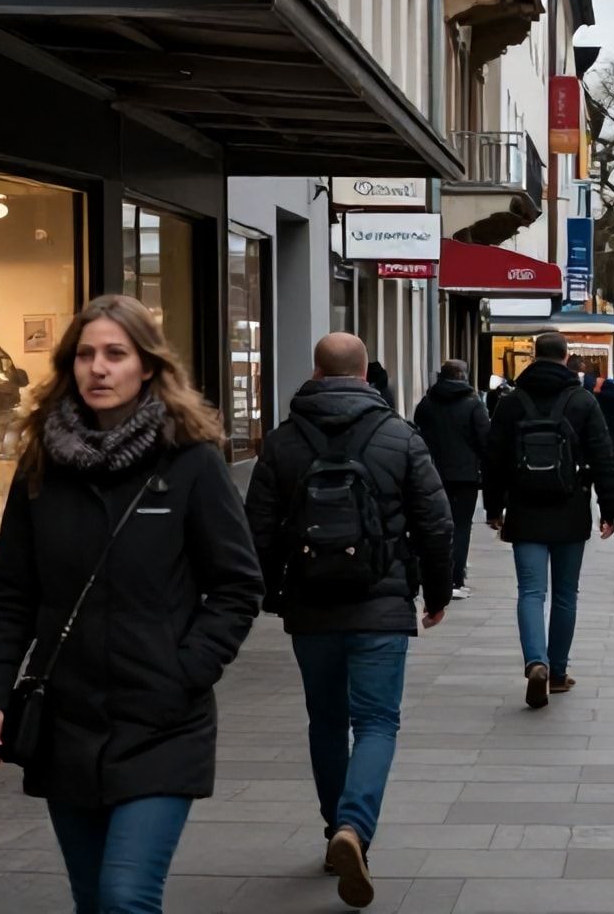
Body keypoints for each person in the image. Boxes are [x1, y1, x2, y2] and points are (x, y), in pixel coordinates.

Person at [0, 294, 261, 914]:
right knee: (93, 900)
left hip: (161, 722)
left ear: (147, 365)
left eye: (116, 354)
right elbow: (13, 594)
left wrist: (185, 670)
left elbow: (237, 586)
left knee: (126, 898)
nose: (98, 368)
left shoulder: (191, 462)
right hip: (65, 721)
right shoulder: (43, 466)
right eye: (85, 355)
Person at [245, 332, 453, 910]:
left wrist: (268, 594)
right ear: (366, 375)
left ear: (315, 372)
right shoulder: (399, 436)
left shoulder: (282, 442)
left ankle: (332, 828)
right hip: (380, 605)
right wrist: (437, 592)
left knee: (327, 722)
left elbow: (255, 528)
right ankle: (354, 828)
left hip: (310, 606)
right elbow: (436, 522)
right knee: (377, 722)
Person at [483, 331, 614, 708]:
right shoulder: (582, 400)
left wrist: (493, 508)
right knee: (565, 593)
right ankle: (558, 672)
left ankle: (536, 662)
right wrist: (610, 508)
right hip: (570, 507)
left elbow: (493, 458)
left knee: (531, 591)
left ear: (534, 356)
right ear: (566, 357)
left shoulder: (511, 401)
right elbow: (603, 456)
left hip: (525, 508)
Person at [413, 359, 491, 600]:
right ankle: (456, 578)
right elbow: (485, 440)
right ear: (464, 376)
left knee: (434, 524)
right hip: (466, 476)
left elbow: (418, 432)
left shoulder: (427, 402)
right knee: (461, 526)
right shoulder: (473, 404)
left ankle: (431, 575)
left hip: (432, 473)